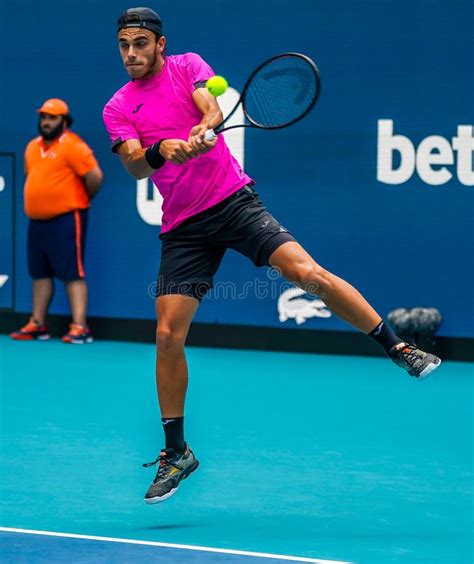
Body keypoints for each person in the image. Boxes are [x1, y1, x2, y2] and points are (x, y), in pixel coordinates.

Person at [103, 7, 441, 504]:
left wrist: (202, 126)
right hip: (184, 228)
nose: (131, 53)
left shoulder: (186, 66)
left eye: (140, 43)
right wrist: (162, 151)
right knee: (167, 333)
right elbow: (133, 165)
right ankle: (176, 452)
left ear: (160, 44)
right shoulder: (118, 105)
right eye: (123, 45)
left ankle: (399, 348)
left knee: (308, 274)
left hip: (233, 202)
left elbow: (211, 108)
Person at [10, 98, 103, 344]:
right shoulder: (32, 147)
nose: (47, 122)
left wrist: (80, 199)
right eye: (44, 117)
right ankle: (38, 324)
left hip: (67, 218)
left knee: (73, 272)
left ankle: (80, 327)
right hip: (37, 221)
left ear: (64, 121)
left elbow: (95, 177)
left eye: (52, 118)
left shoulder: (74, 146)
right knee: (39, 273)